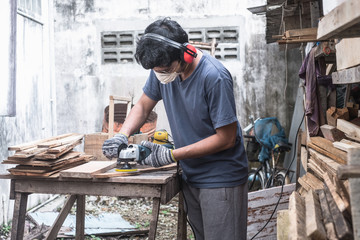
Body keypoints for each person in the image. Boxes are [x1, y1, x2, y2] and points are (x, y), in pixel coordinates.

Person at [102, 18, 248, 240]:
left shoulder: (214, 77)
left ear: (186, 53)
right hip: (191, 175)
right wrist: (122, 135)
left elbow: (226, 139)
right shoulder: (162, 70)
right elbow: (142, 105)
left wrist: (169, 155)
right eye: (157, 70)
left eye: (166, 68)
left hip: (221, 179)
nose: (161, 74)